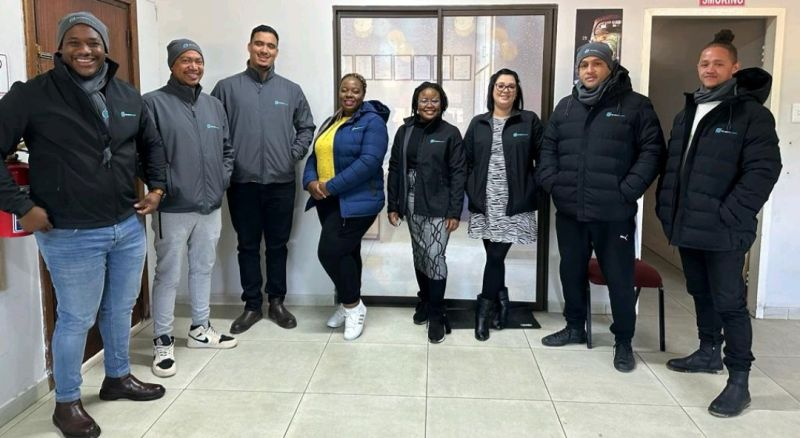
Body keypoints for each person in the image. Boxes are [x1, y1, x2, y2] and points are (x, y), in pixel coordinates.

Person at [0, 12, 167, 437]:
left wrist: (157, 188)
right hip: (68, 231)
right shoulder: (32, 95)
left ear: (105, 47)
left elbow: (150, 144)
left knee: (121, 308)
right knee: (76, 318)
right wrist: (21, 206)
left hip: (126, 225)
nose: (84, 50)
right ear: (60, 48)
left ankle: (117, 377)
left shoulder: (126, 94)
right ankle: (67, 402)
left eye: (93, 42)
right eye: (74, 42)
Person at [656, 30, 781, 417]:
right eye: (704, 63)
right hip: (687, 225)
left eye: (718, 63)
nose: (710, 69)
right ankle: (708, 351)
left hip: (725, 229)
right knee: (700, 292)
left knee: (730, 303)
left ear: (734, 68)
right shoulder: (688, 113)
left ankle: (739, 381)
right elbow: (674, 167)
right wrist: (666, 209)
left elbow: (764, 170)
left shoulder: (751, 115)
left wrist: (731, 213)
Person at [538, 42, 664, 372]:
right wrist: (554, 184)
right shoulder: (566, 107)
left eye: (597, 64)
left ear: (611, 68)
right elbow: (548, 149)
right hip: (571, 211)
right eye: (584, 65)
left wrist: (627, 191)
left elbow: (652, 152)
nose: (590, 70)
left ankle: (623, 341)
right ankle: (574, 327)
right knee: (571, 270)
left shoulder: (635, 105)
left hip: (614, 214)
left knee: (620, 277)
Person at [211, 25, 315, 334]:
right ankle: (252, 306)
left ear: (276, 51)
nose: (264, 50)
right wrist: (229, 163)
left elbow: (306, 127)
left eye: (270, 46)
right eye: (259, 44)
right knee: (247, 245)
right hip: (242, 183)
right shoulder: (226, 88)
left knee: (278, 245)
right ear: (249, 47)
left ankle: (277, 303)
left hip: (281, 182)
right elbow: (212, 129)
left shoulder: (291, 90)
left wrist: (291, 154)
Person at [143, 39, 237, 379]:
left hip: (210, 205)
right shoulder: (152, 103)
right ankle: (163, 339)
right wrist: (163, 185)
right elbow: (142, 154)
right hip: (172, 206)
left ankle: (200, 328)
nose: (193, 66)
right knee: (168, 273)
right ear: (172, 65)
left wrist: (222, 180)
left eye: (198, 60)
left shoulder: (214, 106)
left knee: (203, 268)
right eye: (185, 60)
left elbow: (227, 150)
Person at [302, 73, 389, 341]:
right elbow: (315, 155)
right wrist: (311, 182)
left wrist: (330, 186)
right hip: (328, 200)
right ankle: (348, 302)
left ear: (363, 94)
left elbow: (369, 162)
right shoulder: (333, 121)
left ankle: (353, 306)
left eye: (355, 91)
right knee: (347, 253)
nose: (349, 95)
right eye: (344, 90)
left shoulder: (372, 122)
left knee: (329, 252)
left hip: (358, 201)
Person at [464, 68, 543, 342]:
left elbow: (544, 158)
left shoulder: (529, 121)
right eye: (500, 85)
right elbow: (466, 161)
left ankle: (483, 313)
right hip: (485, 202)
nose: (505, 90)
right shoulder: (478, 123)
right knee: (493, 257)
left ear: (517, 91)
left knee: (496, 257)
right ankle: (502, 303)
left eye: (511, 86)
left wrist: (533, 186)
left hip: (514, 202)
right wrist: (471, 189)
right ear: (492, 89)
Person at [387, 82, 465, 343]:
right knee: (420, 253)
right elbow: (395, 168)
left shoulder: (450, 133)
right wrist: (393, 204)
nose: (429, 105)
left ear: (442, 104)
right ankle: (425, 300)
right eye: (424, 100)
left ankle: (436, 312)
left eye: (434, 100)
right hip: (410, 200)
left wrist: (455, 211)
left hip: (439, 202)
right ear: (416, 103)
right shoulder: (405, 131)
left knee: (434, 255)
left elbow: (459, 173)